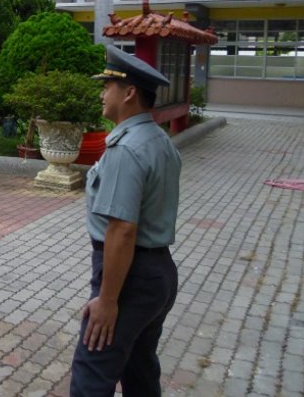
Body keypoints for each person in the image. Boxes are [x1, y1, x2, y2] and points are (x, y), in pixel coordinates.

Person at [70, 45, 182, 397]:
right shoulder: (160, 141)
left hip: (127, 276)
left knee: (92, 372)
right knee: (139, 369)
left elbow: (122, 229)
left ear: (129, 92)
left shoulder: (127, 148)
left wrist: (107, 301)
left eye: (108, 85)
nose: (102, 93)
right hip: (158, 272)